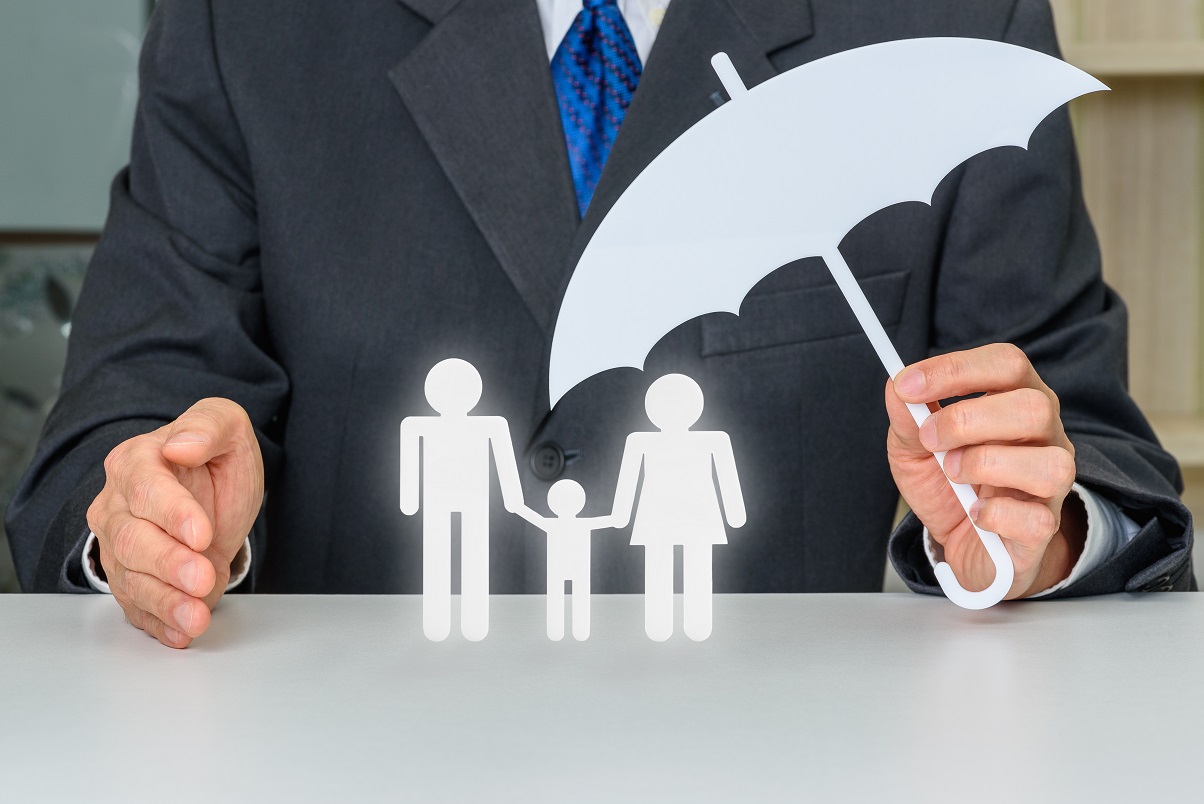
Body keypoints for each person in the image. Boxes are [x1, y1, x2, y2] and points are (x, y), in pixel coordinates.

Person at [5, 0, 1194, 650]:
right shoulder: (246, 23)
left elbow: (1104, 468)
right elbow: (113, 421)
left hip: (785, 769)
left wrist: (1033, 528)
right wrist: (148, 522)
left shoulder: (948, 19)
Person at [610, 374, 745, 641]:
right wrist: (621, 514)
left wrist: (621, 515)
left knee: (693, 568)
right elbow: (627, 481)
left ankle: (694, 625)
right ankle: (662, 626)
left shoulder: (713, 441)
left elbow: (727, 476)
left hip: (688, 517)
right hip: (667, 518)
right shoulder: (641, 442)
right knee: (663, 568)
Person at [400, 358, 525, 641]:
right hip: (439, 499)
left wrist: (513, 498)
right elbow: (409, 458)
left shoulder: (491, 425)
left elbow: (504, 460)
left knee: (474, 557)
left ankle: (474, 622)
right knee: (437, 558)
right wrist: (409, 498)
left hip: (473, 498)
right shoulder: (417, 425)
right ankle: (437, 622)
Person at [516, 478, 613, 641]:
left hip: (566, 568)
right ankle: (572, 632)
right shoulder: (578, 525)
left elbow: (525, 512)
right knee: (567, 596)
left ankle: (570, 632)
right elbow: (614, 520)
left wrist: (517, 505)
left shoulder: (554, 524)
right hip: (569, 568)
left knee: (566, 596)